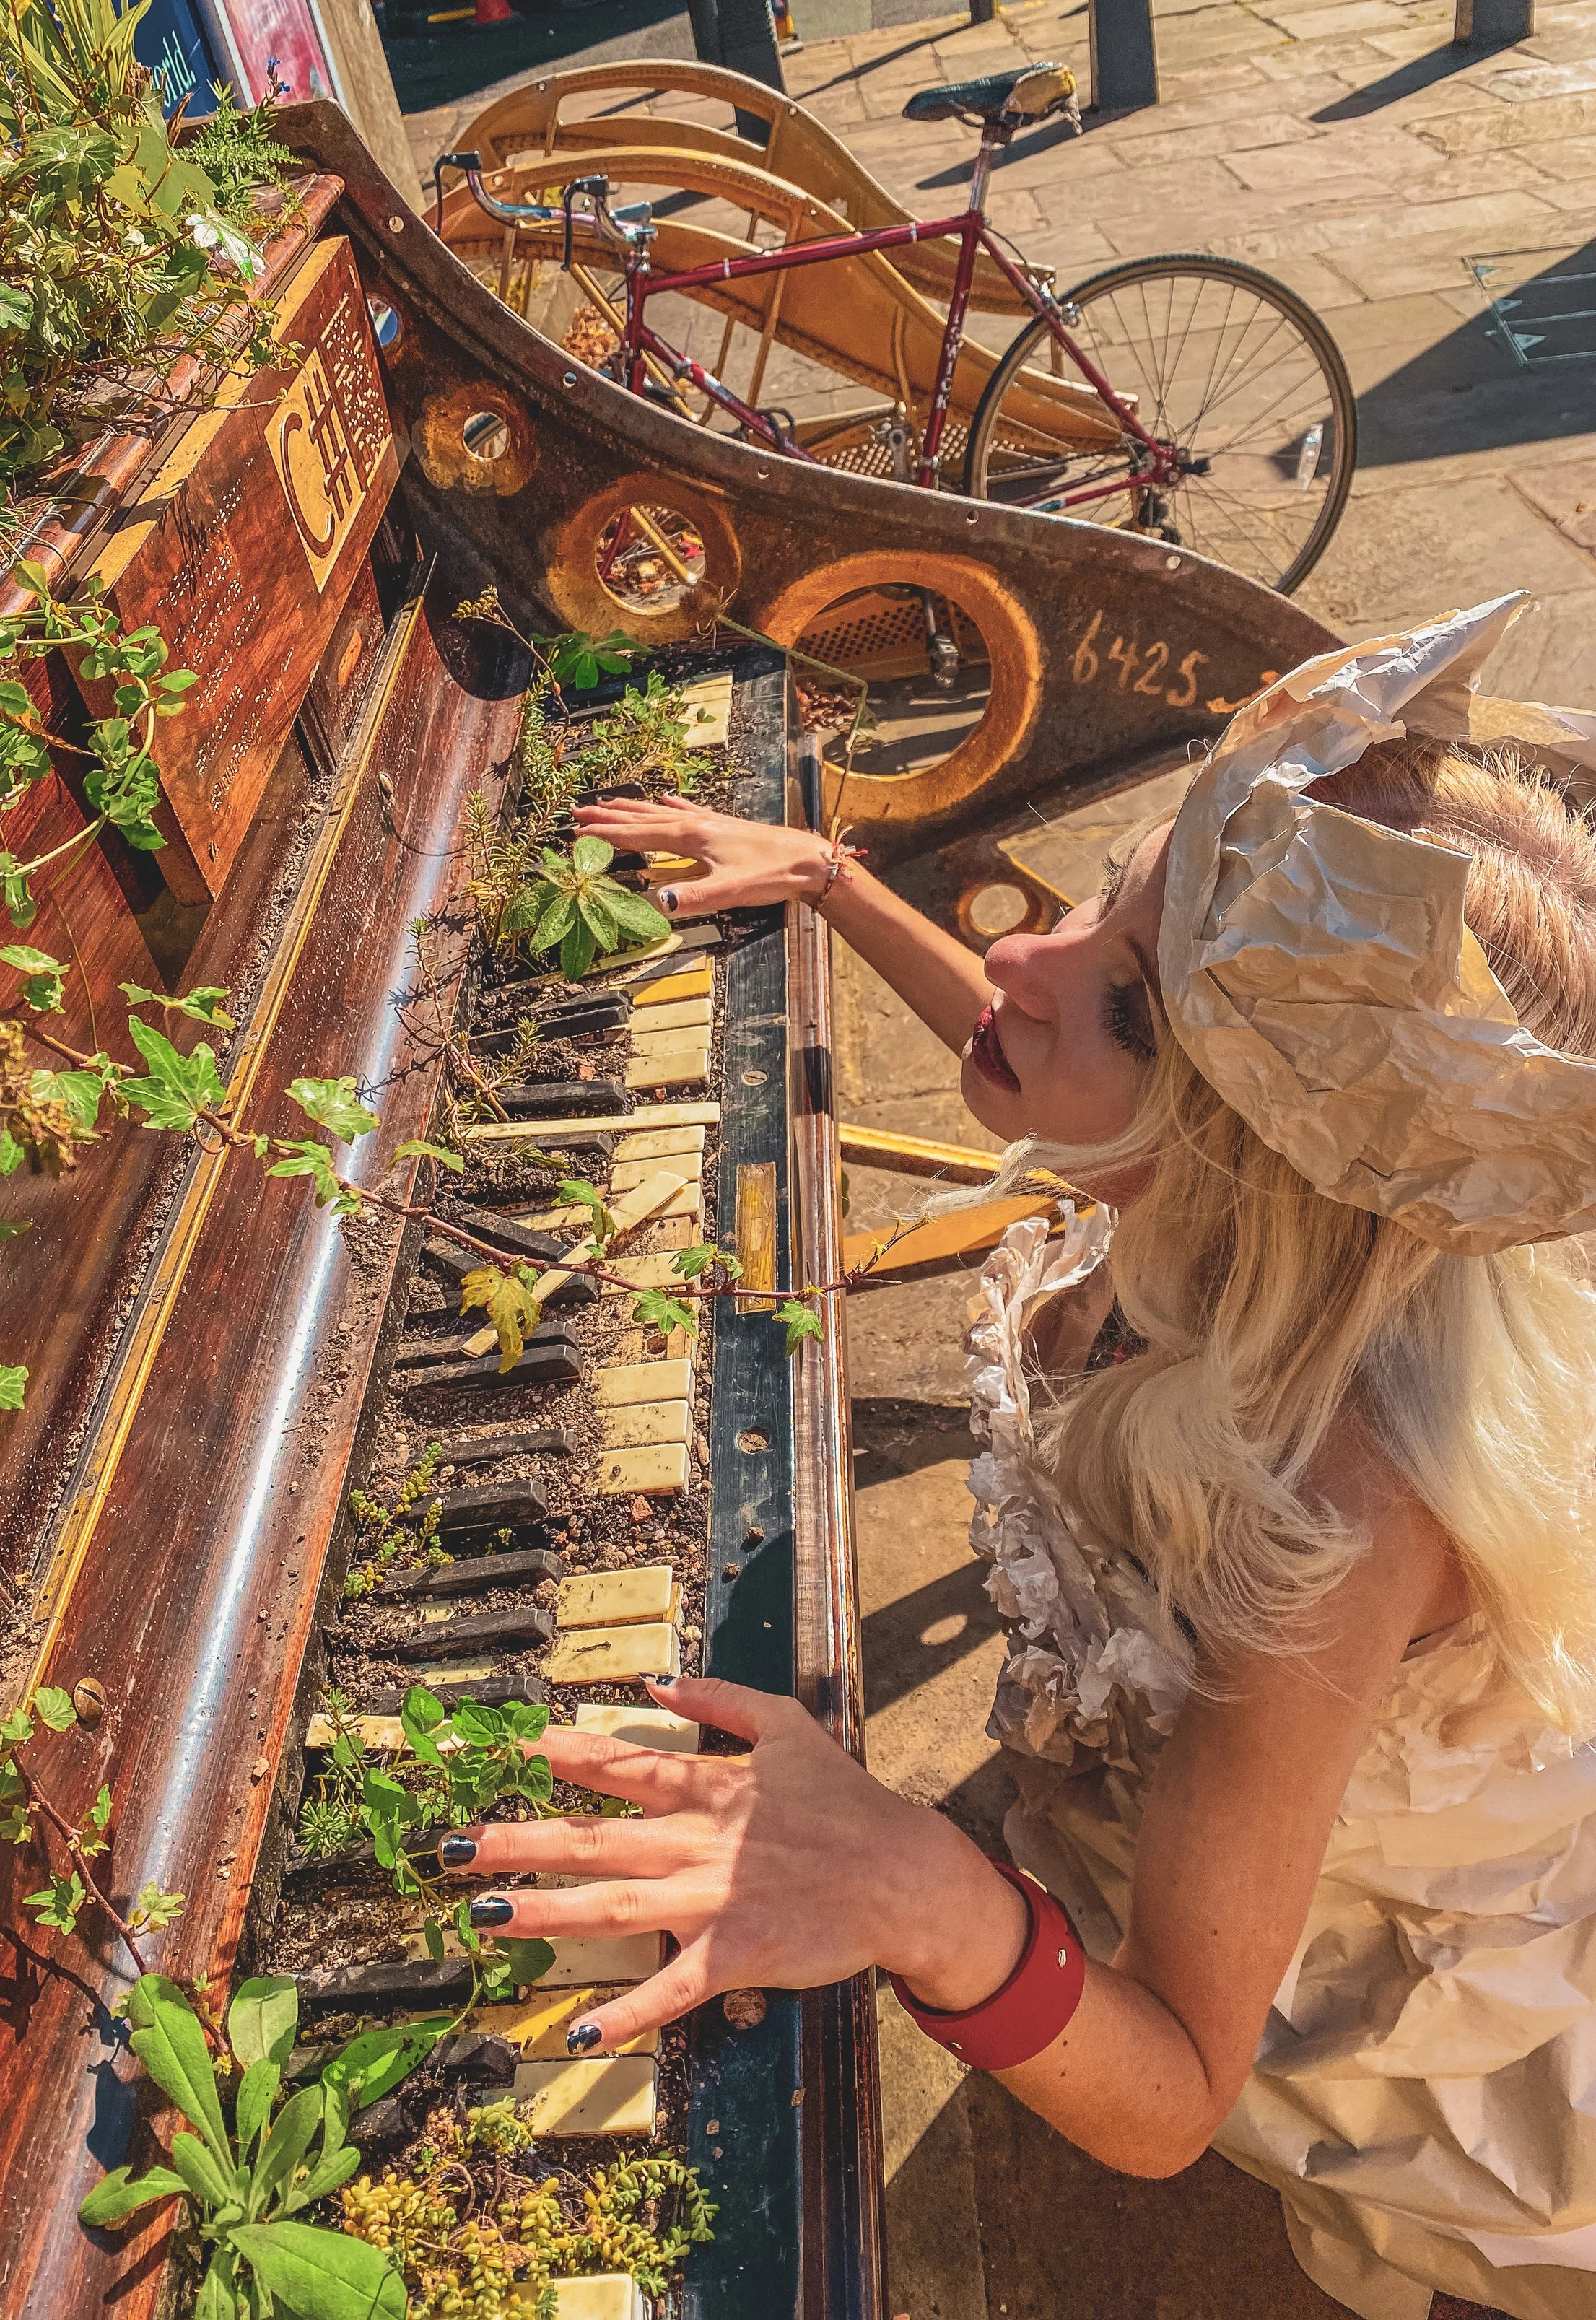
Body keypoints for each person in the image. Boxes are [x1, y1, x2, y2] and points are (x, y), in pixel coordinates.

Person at [435, 600, 1596, 2320]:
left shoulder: (1326, 1526)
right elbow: (1064, 1075)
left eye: (1129, 1006)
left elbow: (1174, 2087)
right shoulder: (1235, 1215)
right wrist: (833, 884)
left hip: (1297, 1928)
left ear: (1257, 1149)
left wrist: (927, 1892)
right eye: (1095, 901)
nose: (1018, 961)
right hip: (1179, 1778)